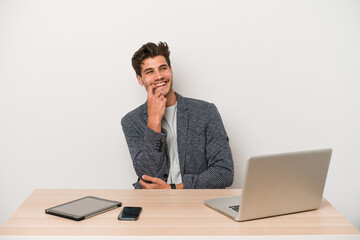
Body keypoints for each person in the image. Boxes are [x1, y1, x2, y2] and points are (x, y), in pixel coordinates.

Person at [121, 42, 234, 189]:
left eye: (163, 68)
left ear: (171, 70)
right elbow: (147, 175)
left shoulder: (206, 112)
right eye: (149, 72)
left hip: (196, 202)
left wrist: (174, 189)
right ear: (139, 79)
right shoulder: (131, 121)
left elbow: (224, 173)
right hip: (153, 203)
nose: (159, 76)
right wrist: (154, 120)